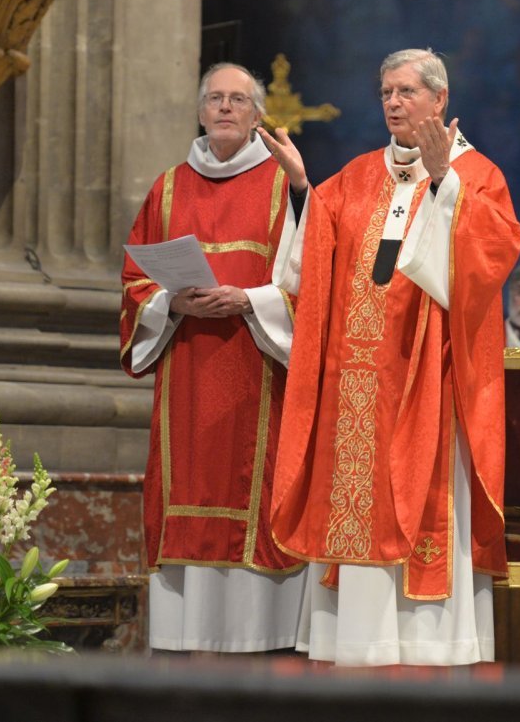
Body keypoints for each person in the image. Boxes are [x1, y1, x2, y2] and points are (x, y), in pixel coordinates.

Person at [258, 48, 520, 666]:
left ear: (440, 101)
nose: (394, 103)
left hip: (428, 378)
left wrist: (442, 181)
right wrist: (301, 188)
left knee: (422, 496)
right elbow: (310, 262)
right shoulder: (353, 177)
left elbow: (489, 258)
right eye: (385, 93)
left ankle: (427, 646)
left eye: (406, 92)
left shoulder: (476, 173)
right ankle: (356, 639)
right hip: (354, 381)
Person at [120, 62, 310, 653]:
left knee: (253, 488)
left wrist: (247, 298)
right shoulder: (168, 187)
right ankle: (185, 650)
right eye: (216, 99)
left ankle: (264, 647)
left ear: (257, 114)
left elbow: (316, 282)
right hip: (187, 376)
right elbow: (134, 282)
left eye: (238, 100)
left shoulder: (284, 185)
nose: (226, 108)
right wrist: (170, 303)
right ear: (201, 111)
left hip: (259, 373)